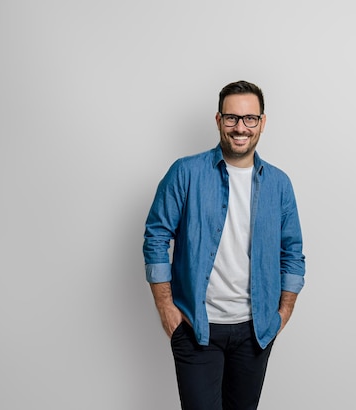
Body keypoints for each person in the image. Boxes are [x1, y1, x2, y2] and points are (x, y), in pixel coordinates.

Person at [143, 80, 306, 410]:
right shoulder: (185, 172)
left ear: (262, 122)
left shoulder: (279, 184)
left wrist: (282, 313)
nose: (240, 128)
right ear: (219, 121)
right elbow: (156, 236)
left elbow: (292, 252)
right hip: (196, 327)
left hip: (255, 331)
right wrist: (166, 307)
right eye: (232, 118)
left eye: (249, 119)